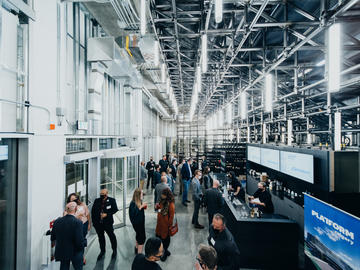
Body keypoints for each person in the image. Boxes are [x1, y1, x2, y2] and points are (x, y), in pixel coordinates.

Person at [51, 202, 84, 270]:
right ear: (76, 209)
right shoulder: (78, 222)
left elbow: (53, 237)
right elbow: (79, 240)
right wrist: (81, 251)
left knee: (64, 268)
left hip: (62, 251)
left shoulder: (57, 221)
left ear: (66, 210)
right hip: (75, 252)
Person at [91, 189, 118, 260]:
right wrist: (94, 223)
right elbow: (93, 212)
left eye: (103, 193)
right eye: (101, 193)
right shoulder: (97, 200)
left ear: (107, 193)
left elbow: (115, 210)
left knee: (111, 236)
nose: (102, 195)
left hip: (108, 223)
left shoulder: (112, 200)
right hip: (98, 224)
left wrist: (107, 214)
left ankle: (114, 250)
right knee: (101, 238)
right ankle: (102, 251)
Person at [66, 193, 91, 265]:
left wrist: (89, 224)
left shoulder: (83, 205)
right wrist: (77, 216)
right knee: (76, 242)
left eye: (75, 199)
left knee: (82, 241)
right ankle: (75, 257)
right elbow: (68, 216)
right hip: (75, 227)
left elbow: (88, 214)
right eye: (72, 200)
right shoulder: (69, 207)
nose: (74, 201)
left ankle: (82, 257)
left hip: (84, 225)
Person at [155, 188, 175, 262]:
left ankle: (165, 252)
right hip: (160, 224)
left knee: (165, 239)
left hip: (165, 226)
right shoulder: (162, 201)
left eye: (163, 194)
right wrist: (157, 207)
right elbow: (160, 209)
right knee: (159, 238)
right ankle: (165, 251)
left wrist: (168, 226)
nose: (161, 195)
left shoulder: (171, 204)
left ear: (167, 195)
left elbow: (171, 217)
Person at [129, 188, 148, 254]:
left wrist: (142, 207)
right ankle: (139, 255)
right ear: (138, 195)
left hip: (140, 224)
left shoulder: (139, 202)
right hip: (138, 225)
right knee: (142, 239)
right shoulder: (133, 204)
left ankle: (136, 249)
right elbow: (134, 215)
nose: (143, 195)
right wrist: (141, 207)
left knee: (138, 236)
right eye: (142, 194)